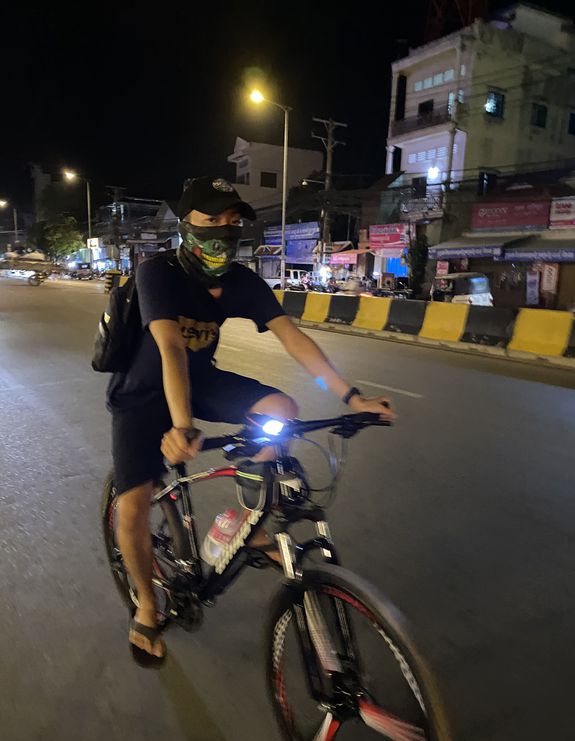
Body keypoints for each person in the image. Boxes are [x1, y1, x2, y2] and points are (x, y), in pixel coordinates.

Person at [107, 176, 394, 667]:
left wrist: (352, 396)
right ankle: (148, 606)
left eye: (233, 220)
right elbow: (171, 348)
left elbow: (294, 339)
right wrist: (180, 426)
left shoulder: (241, 281)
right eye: (212, 220)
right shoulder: (159, 272)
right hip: (144, 394)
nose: (225, 230)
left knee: (280, 411)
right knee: (132, 503)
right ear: (186, 225)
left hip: (203, 384)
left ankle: (239, 523)